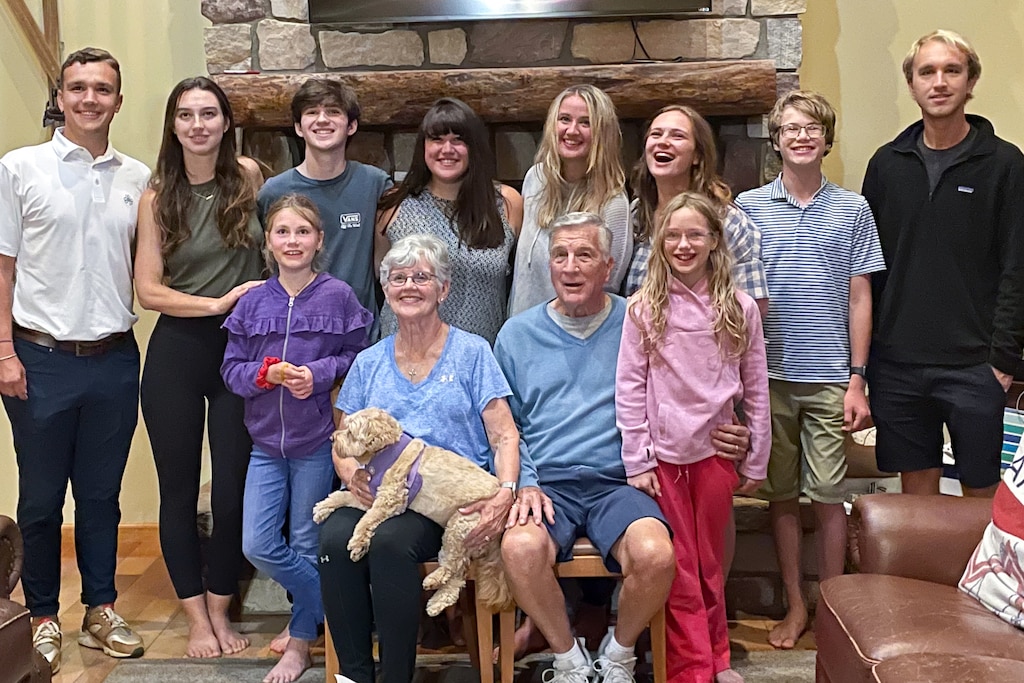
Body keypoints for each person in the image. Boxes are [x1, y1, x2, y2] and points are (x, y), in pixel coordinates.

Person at [494, 212, 751, 682]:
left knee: (657, 554)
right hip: (549, 485)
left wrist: (731, 427)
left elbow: (693, 385)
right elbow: (505, 427)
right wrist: (524, 483)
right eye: (560, 256)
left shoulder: (637, 319)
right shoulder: (516, 334)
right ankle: (568, 660)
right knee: (519, 548)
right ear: (548, 266)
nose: (571, 267)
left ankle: (619, 656)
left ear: (608, 266)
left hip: (621, 480)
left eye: (585, 255)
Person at [0, 47, 150, 673]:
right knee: (39, 501)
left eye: (104, 89)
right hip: (38, 358)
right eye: (79, 88)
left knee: (100, 496)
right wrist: (3, 350)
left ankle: (99, 609)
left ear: (119, 99)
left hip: (115, 359)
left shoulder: (137, 179)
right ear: (60, 98)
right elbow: (2, 267)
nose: (91, 99)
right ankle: (40, 615)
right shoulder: (19, 168)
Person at [318, 233, 520, 683]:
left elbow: (505, 435)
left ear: (443, 289)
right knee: (333, 539)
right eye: (398, 278)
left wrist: (505, 493)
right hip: (377, 493)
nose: (409, 286)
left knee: (390, 542)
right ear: (386, 289)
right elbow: (342, 439)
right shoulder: (369, 362)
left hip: (441, 499)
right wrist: (352, 476)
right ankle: (353, 676)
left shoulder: (472, 352)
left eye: (422, 277)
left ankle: (395, 676)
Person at [736, 90, 885, 650]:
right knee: (778, 496)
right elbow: (738, 296)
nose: (801, 137)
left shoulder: (853, 209)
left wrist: (857, 377)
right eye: (791, 129)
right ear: (776, 141)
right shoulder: (749, 208)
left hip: (829, 378)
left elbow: (859, 295)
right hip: (766, 379)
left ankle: (835, 610)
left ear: (827, 139)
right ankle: (796, 604)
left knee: (826, 497)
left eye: (812, 129)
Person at [134, 76, 265, 660]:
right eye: (185, 115)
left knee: (234, 486)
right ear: (173, 125)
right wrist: (214, 304)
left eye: (208, 113)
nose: (197, 125)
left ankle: (220, 603)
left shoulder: (250, 177)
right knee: (179, 489)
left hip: (239, 355)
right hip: (178, 353)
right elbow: (148, 290)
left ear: (225, 121)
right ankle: (194, 617)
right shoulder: (156, 195)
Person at [862, 29, 1024, 497]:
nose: (939, 82)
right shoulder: (886, 166)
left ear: (970, 82)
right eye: (926, 71)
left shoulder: (1005, 165)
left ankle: (977, 576)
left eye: (952, 70)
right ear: (911, 85)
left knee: (981, 498)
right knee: (917, 507)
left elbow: (1018, 269)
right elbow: (869, 271)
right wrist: (868, 363)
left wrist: (1002, 360)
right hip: (897, 365)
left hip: (976, 366)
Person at [616, 192, 769, 683]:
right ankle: (692, 669)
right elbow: (630, 386)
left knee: (708, 564)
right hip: (663, 460)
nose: (684, 245)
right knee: (679, 566)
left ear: (713, 241)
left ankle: (717, 657)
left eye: (695, 235)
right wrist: (637, 459)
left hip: (716, 457)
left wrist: (757, 458)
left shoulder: (739, 306)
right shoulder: (644, 307)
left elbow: (758, 387)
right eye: (674, 235)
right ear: (660, 243)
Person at [222, 195, 372, 683]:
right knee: (257, 543)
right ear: (268, 241)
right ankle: (332, 601)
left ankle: (302, 640)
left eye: (302, 232)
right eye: (282, 232)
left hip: (315, 442)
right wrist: (265, 376)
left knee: (307, 541)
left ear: (319, 240)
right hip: (264, 444)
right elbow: (231, 370)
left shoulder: (339, 296)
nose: (293, 241)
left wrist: (320, 373)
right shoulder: (252, 302)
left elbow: (356, 356)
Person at [376, 97, 523, 344]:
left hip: (479, 360)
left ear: (474, 147)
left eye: (458, 140)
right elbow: (380, 276)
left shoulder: (507, 204)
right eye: (437, 139)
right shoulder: (394, 205)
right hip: (405, 356)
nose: (447, 149)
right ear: (423, 146)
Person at [258, 78, 391, 328]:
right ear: (298, 127)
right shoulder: (273, 191)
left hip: (359, 333)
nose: (322, 120)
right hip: (295, 331)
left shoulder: (375, 184)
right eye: (312, 112)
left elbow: (383, 263)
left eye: (333, 112)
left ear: (351, 126)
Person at [624, 105, 768, 314]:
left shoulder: (728, 222)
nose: (663, 142)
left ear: (697, 156)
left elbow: (754, 307)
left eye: (677, 136)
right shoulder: (636, 216)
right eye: (656, 134)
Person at [508, 85, 632, 315]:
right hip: (523, 332)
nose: (572, 130)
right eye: (564, 119)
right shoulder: (535, 179)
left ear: (602, 133)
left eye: (585, 123)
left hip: (575, 338)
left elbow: (606, 290)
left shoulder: (613, 202)